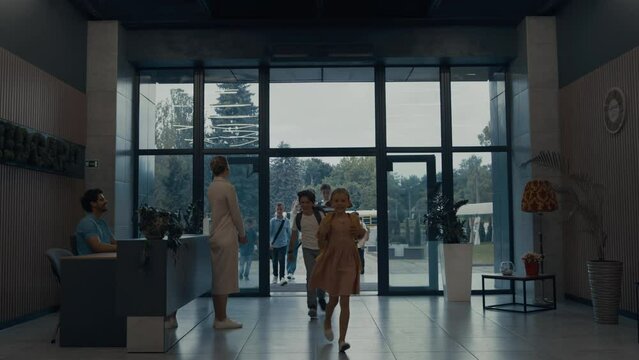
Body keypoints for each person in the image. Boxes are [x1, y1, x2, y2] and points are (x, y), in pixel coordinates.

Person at [310, 188, 366, 353]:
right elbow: (320, 236)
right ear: (331, 203)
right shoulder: (328, 219)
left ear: (348, 202)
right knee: (333, 300)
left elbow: (362, 234)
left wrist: (359, 232)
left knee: (345, 300)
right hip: (334, 261)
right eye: (337, 201)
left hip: (349, 261)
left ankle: (342, 339)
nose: (340, 203)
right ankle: (327, 320)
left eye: (343, 200)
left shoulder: (353, 218)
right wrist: (323, 232)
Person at [207, 156, 247, 330]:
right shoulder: (227, 187)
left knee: (218, 277)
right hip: (226, 235)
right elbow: (235, 213)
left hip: (215, 234)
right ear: (226, 168)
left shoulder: (212, 187)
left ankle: (220, 316)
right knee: (224, 278)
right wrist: (242, 233)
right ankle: (221, 318)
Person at [287, 189, 327, 319]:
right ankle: (312, 306)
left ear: (312, 203)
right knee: (310, 276)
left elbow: (328, 231)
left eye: (307, 202)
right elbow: (294, 235)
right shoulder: (299, 217)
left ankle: (321, 297)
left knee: (321, 276)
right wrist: (291, 251)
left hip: (321, 249)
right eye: (302, 202)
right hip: (307, 249)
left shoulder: (320, 215)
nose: (304, 205)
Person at [75, 189, 117, 255]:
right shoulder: (87, 223)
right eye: (102, 200)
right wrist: (120, 248)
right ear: (93, 203)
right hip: (90, 263)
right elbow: (97, 247)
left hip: (102, 261)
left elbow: (113, 242)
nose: (106, 201)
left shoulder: (102, 222)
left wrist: (128, 247)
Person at [269, 202, 291, 286]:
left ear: (283, 210)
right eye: (278, 209)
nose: (279, 210)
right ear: (276, 210)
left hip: (283, 244)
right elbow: (269, 233)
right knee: (274, 261)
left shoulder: (286, 221)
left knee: (282, 261)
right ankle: (275, 276)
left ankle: (282, 277)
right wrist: (269, 243)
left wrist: (290, 243)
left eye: (281, 209)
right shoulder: (272, 221)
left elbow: (289, 233)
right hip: (274, 245)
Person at [286, 198, 301, 280]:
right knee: (289, 254)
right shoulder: (288, 215)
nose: (297, 207)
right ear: (293, 206)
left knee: (294, 254)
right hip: (288, 235)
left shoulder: (300, 215)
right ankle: (289, 271)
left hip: (296, 236)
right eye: (296, 205)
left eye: (298, 206)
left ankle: (291, 272)